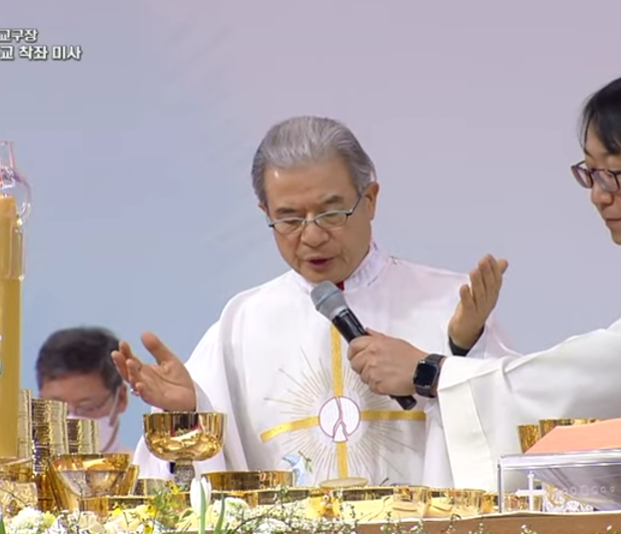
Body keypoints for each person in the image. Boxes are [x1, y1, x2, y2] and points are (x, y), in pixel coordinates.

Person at [345, 67, 621, 491]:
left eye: (613, 174)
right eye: (590, 173)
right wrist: (467, 345)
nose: (599, 196)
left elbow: (596, 386)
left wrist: (431, 372)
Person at [114, 115, 511, 487]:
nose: (313, 236)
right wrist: (188, 415)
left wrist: (455, 356)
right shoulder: (240, 325)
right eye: (289, 219)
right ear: (265, 212)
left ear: (370, 200)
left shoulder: (449, 305)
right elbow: (191, 490)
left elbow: (512, 434)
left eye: (331, 213)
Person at [36, 326, 131, 453]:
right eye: (55, 408)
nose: (69, 423)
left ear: (121, 399)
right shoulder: (14, 464)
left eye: (87, 407)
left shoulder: (144, 465)